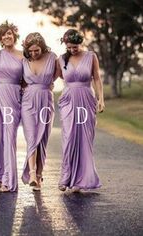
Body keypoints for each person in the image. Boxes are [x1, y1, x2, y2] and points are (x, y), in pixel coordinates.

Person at [58, 29, 105, 192]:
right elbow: (56, 77)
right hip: (68, 100)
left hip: (86, 99)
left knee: (85, 138)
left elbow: (97, 78)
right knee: (69, 137)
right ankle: (66, 178)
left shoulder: (91, 56)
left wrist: (101, 99)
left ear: (80, 43)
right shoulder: (61, 59)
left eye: (75, 47)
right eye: (69, 47)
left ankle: (80, 181)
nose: (72, 50)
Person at [21, 32, 58, 191]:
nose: (34, 54)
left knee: (42, 139)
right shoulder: (24, 61)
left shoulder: (52, 57)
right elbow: (19, 80)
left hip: (46, 99)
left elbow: (58, 74)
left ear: (42, 47)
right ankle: (33, 174)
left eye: (37, 50)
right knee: (31, 137)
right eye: (31, 51)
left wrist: (49, 84)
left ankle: (40, 173)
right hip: (28, 101)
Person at [0, 21, 23, 192]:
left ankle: (8, 179)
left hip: (13, 96)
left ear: (14, 35)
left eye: (10, 33)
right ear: (0, 38)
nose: (7, 36)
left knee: (9, 137)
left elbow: (28, 77)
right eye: (4, 34)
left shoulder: (23, 56)